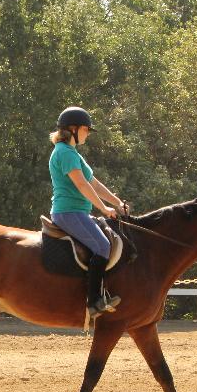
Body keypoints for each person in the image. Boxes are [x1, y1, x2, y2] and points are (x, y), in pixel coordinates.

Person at [48, 106, 126, 319]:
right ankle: (94, 302)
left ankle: (99, 294)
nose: (88, 133)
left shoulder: (72, 153)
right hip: (68, 212)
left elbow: (94, 183)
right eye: (86, 129)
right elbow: (82, 185)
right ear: (72, 129)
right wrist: (104, 208)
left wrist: (117, 203)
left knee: (103, 244)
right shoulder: (65, 152)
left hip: (77, 211)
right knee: (102, 246)